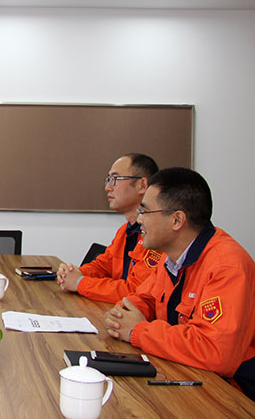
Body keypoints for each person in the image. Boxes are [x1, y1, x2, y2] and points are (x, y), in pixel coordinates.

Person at [103, 167, 255, 399]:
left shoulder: (227, 266)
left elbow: (215, 352)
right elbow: (144, 299)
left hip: (232, 394)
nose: (139, 219)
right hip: (185, 373)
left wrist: (138, 330)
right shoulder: (171, 257)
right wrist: (123, 316)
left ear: (177, 220)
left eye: (145, 211)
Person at [56, 153, 163, 303]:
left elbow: (135, 291)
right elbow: (103, 267)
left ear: (142, 185)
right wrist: (73, 273)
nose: (107, 188)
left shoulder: (157, 237)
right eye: (108, 180)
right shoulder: (125, 231)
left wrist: (80, 283)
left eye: (115, 179)